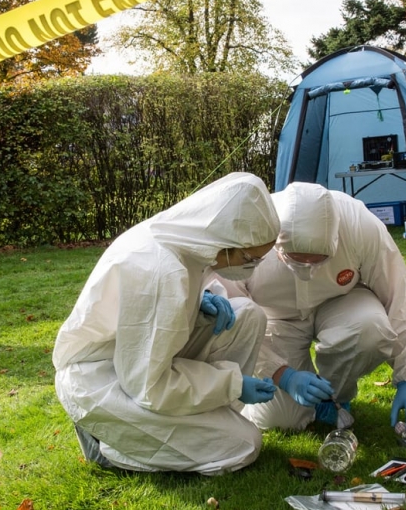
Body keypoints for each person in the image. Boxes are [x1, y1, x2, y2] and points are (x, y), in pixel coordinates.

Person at [52, 172, 281, 475]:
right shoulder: (161, 272)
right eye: (250, 258)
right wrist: (233, 384)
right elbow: (150, 387)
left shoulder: (188, 239)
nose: (250, 267)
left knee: (249, 315)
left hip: (133, 362)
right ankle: (107, 442)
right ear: (228, 242)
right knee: (244, 444)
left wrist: (203, 299)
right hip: (101, 379)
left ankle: (205, 420)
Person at [216, 182, 406, 435]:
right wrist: (282, 374)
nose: (308, 270)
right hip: (277, 317)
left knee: (370, 329)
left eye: (319, 260)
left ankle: (334, 396)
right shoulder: (248, 232)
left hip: (343, 301)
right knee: (281, 419)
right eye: (296, 258)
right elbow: (238, 320)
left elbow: (397, 298)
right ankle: (292, 397)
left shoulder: (359, 224)